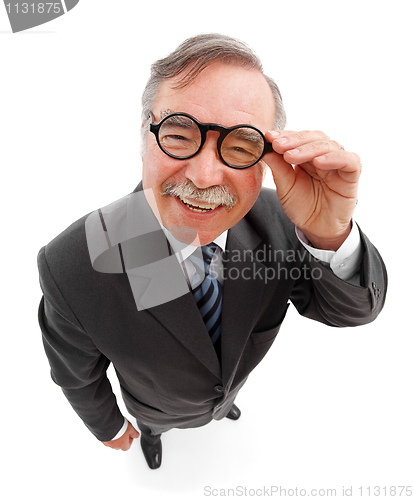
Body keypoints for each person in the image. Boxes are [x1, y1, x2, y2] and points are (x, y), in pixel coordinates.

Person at [38, 33, 387, 470]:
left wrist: (330, 235)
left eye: (240, 147)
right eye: (180, 134)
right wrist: (109, 426)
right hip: (155, 410)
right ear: (145, 135)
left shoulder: (283, 220)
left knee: (222, 400)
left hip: (231, 392)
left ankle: (220, 411)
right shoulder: (72, 264)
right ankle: (154, 435)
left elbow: (350, 312)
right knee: (155, 425)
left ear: (267, 159)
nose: (204, 177)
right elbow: (76, 373)